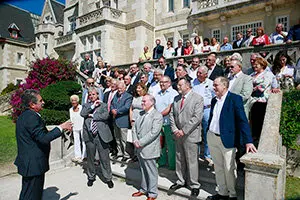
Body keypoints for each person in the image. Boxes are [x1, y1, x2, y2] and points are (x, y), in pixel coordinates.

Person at [15, 89, 72, 200]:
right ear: (32, 104)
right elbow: (43, 139)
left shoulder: (24, 115)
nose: (43, 102)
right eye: (40, 101)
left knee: (27, 193)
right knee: (33, 195)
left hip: (29, 163)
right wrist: (61, 127)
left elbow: (37, 136)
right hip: (33, 165)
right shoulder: (32, 117)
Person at [206, 77, 257, 200]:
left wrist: (248, 141)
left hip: (227, 140)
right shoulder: (214, 100)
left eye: (216, 85)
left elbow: (242, 121)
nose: (214, 88)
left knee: (229, 168)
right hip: (212, 137)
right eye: (213, 85)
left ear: (224, 86)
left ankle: (232, 195)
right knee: (218, 167)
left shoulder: (235, 99)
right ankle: (222, 192)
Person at [169, 78, 203, 198]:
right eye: (177, 84)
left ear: (188, 85)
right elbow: (172, 115)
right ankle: (180, 181)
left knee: (192, 160)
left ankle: (194, 184)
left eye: (180, 84)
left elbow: (197, 117)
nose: (178, 86)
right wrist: (175, 129)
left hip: (190, 134)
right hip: (178, 134)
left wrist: (183, 130)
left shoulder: (197, 98)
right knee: (179, 159)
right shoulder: (176, 99)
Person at [80, 87, 114, 188]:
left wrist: (93, 116)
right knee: (90, 158)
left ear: (97, 95)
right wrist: (92, 107)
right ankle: (91, 177)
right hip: (89, 136)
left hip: (101, 135)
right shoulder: (86, 106)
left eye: (93, 94)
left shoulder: (103, 105)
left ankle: (108, 178)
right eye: (90, 95)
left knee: (104, 158)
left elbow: (105, 116)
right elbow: (82, 114)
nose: (91, 96)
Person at [131, 95, 163, 200]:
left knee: (151, 171)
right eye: (142, 101)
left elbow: (154, 133)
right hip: (139, 147)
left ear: (152, 102)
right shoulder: (140, 114)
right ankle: (143, 189)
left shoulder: (157, 116)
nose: (142, 103)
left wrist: (140, 142)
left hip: (149, 148)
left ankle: (152, 193)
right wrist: (135, 140)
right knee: (143, 169)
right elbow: (134, 128)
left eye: (144, 101)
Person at [192, 66, 215, 165]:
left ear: (206, 74)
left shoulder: (211, 83)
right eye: (197, 72)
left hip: (207, 109)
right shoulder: (193, 82)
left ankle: (207, 155)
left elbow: (215, 97)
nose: (198, 74)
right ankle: (195, 154)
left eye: (200, 73)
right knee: (195, 132)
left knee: (207, 133)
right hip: (195, 110)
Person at [156, 76, 179, 170]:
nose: (162, 84)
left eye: (164, 82)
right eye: (160, 82)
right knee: (161, 144)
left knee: (170, 145)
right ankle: (162, 161)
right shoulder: (158, 93)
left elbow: (170, 108)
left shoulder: (173, 93)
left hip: (168, 122)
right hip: (158, 123)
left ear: (169, 83)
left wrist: (158, 116)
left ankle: (172, 164)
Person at [249, 57, 273, 143]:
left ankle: (259, 139)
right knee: (253, 121)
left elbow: (262, 87)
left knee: (260, 121)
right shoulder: (251, 75)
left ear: (262, 65)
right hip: (252, 101)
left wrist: (253, 88)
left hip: (262, 101)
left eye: (257, 64)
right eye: (254, 64)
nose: (254, 65)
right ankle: (254, 137)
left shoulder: (267, 74)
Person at [110, 81, 133, 161]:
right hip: (115, 120)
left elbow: (127, 107)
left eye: (121, 88)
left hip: (123, 120)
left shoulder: (128, 96)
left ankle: (126, 154)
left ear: (124, 88)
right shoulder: (116, 95)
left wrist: (117, 111)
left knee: (124, 139)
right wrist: (112, 109)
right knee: (117, 138)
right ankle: (119, 153)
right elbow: (112, 104)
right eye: (118, 88)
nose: (119, 90)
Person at [129, 83, 148, 160]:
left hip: (142, 119)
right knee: (134, 137)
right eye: (137, 88)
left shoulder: (145, 97)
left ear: (143, 89)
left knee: (142, 137)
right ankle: (136, 154)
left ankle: (142, 153)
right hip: (134, 119)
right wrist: (131, 119)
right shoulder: (134, 98)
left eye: (139, 88)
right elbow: (131, 109)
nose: (137, 90)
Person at [69, 94, 86, 163]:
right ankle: (77, 156)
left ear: (77, 101)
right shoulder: (70, 109)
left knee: (84, 141)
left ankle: (85, 156)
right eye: (72, 100)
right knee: (76, 141)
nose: (73, 102)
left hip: (82, 126)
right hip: (75, 127)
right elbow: (71, 119)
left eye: (75, 100)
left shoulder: (82, 107)